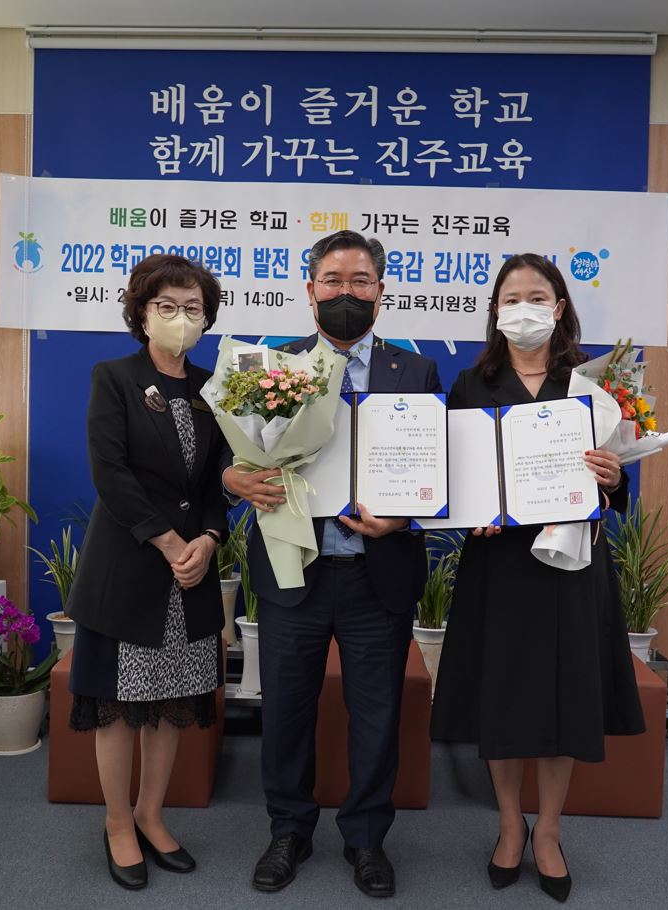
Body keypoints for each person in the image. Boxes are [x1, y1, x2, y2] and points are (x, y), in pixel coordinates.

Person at [223, 230, 441, 899]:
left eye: (359, 281)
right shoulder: (269, 366)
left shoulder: (417, 373)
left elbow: (437, 470)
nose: (347, 292)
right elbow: (229, 458)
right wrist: (234, 479)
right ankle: (288, 830)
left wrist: (403, 516)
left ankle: (366, 837)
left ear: (381, 291)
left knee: (376, 714)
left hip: (379, 572)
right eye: (333, 280)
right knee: (286, 710)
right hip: (295, 569)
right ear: (310, 290)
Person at [430, 253, 645, 903]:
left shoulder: (592, 385)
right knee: (500, 695)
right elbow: (455, 478)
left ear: (559, 307)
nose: (523, 308)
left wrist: (612, 476)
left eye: (536, 297)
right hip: (498, 566)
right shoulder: (471, 385)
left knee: (563, 696)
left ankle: (548, 829)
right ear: (495, 311)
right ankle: (508, 824)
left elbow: (615, 483)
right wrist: (470, 513)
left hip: (570, 565)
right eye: (510, 298)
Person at [66, 254, 229, 891]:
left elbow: (218, 482)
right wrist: (169, 541)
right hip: (131, 567)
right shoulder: (114, 377)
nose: (180, 318)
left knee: (170, 705)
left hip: (190, 573)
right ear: (141, 312)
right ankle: (116, 822)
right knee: (118, 707)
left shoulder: (216, 389)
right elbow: (110, 472)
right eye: (167, 306)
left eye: (193, 308)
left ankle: (150, 814)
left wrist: (208, 539)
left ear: (207, 318)